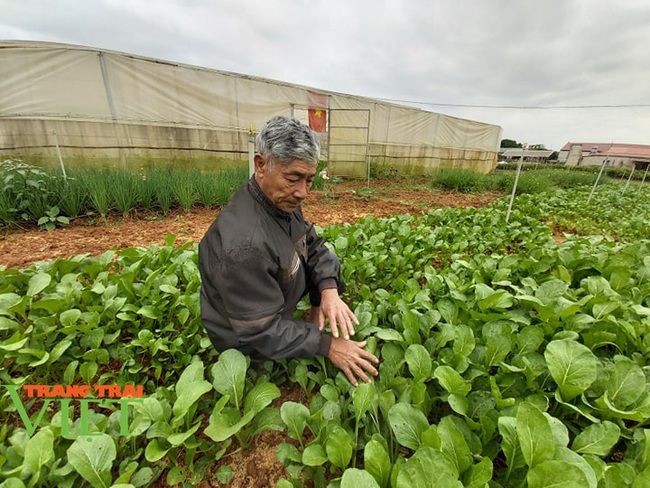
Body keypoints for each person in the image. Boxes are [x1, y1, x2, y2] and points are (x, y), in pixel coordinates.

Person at [198, 116, 379, 386]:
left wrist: (326, 293)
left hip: (275, 296)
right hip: (248, 333)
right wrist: (329, 346)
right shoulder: (243, 246)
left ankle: (305, 317)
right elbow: (261, 331)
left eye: (309, 180)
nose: (303, 192)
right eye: (294, 178)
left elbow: (312, 243)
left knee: (330, 262)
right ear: (261, 165)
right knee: (262, 349)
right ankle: (258, 364)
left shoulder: (279, 200)